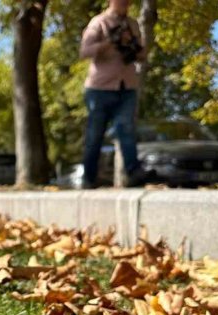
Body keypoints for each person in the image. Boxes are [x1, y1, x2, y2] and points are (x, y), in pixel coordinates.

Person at [79, 0, 148, 189]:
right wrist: (109, 42)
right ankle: (89, 178)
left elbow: (142, 55)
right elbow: (84, 52)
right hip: (100, 88)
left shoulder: (133, 24)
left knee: (127, 129)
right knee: (95, 135)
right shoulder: (99, 22)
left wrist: (133, 46)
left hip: (127, 86)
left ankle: (134, 173)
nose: (125, 2)